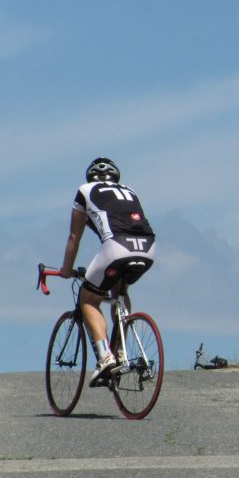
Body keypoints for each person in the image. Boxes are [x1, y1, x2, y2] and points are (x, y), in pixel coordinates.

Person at [59, 157, 156, 386]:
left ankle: (105, 357)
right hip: (148, 247)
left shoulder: (85, 190)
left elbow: (74, 237)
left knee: (88, 299)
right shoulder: (129, 190)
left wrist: (66, 269)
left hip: (117, 246)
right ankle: (121, 351)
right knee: (119, 292)